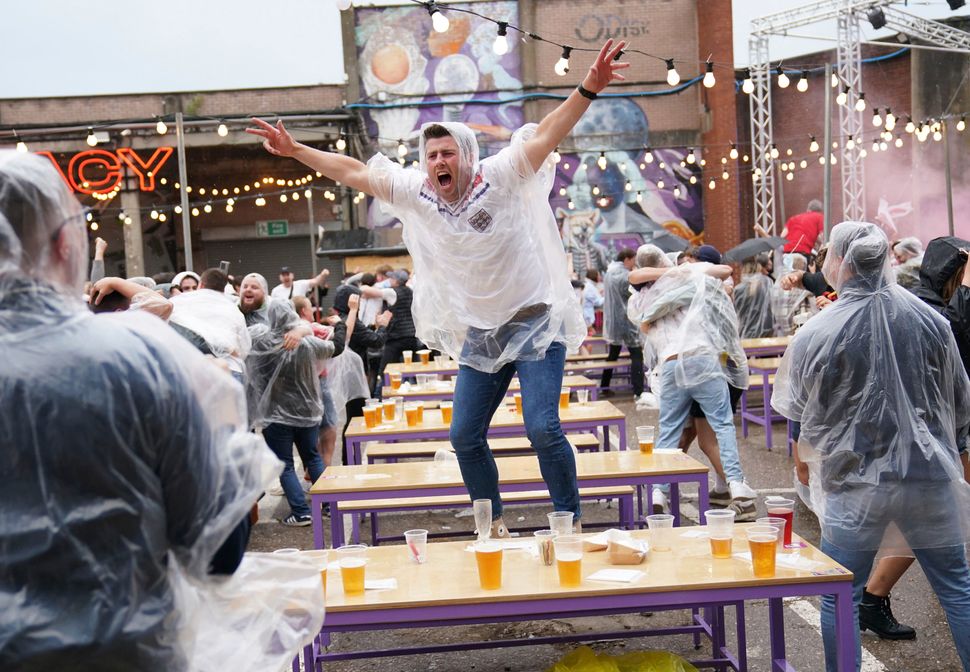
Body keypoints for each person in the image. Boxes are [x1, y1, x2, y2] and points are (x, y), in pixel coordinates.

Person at [248, 39, 629, 534]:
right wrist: (296, 149)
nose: (437, 162)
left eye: (447, 153)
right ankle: (491, 523)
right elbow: (355, 171)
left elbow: (549, 134)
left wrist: (588, 88)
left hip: (535, 319)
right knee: (464, 436)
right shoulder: (418, 190)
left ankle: (568, 521)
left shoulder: (502, 174)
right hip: (482, 331)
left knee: (542, 427)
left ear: (466, 156)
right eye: (430, 155)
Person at [0, 150, 278, 670]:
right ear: (66, 244)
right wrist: (221, 433)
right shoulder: (143, 359)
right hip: (124, 652)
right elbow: (219, 548)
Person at [772, 221, 970, 672]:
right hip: (929, 473)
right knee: (958, 590)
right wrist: (958, 452)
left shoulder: (818, 329)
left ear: (840, 261)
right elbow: (960, 400)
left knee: (840, 591)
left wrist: (802, 454)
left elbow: (798, 405)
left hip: (854, 482)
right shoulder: (931, 321)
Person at [627, 244, 757, 519]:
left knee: (669, 430)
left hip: (671, 362)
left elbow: (645, 325)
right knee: (722, 425)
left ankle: (659, 491)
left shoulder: (640, 300)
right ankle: (737, 486)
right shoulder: (691, 277)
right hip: (702, 357)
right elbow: (723, 271)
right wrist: (685, 270)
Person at [246, 301, 336, 526]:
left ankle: (301, 512)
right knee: (312, 457)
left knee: (284, 464)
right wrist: (307, 328)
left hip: (274, 415)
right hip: (307, 413)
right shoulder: (307, 343)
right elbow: (334, 346)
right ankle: (328, 505)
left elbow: (237, 339)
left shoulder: (261, 341)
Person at [169, 267, 252, 383]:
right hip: (228, 371)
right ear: (224, 288)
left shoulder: (177, 303)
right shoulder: (233, 310)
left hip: (189, 370)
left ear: (201, 284)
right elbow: (244, 348)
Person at [293, 294, 346, 471]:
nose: (312, 310)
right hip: (317, 382)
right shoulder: (311, 328)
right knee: (329, 423)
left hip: (296, 385)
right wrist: (341, 322)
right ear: (303, 311)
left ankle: (311, 467)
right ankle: (326, 466)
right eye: (310, 307)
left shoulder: (287, 329)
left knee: (308, 426)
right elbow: (341, 342)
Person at [600, 248, 645, 400]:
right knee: (636, 355)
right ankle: (638, 391)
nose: (634, 263)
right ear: (627, 259)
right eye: (633, 260)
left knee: (613, 354)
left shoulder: (609, 272)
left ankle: (604, 386)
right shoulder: (624, 275)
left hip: (614, 322)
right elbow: (634, 293)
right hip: (627, 321)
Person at [378, 269, 422, 385]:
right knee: (414, 370)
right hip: (412, 336)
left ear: (397, 281)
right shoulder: (411, 291)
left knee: (386, 370)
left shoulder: (392, 292)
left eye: (392, 278)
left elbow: (368, 291)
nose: (389, 280)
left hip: (396, 337)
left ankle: (387, 393)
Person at [733, 255, 774, 338]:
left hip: (745, 333)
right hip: (767, 331)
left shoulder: (738, 289)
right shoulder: (767, 283)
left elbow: (736, 313)